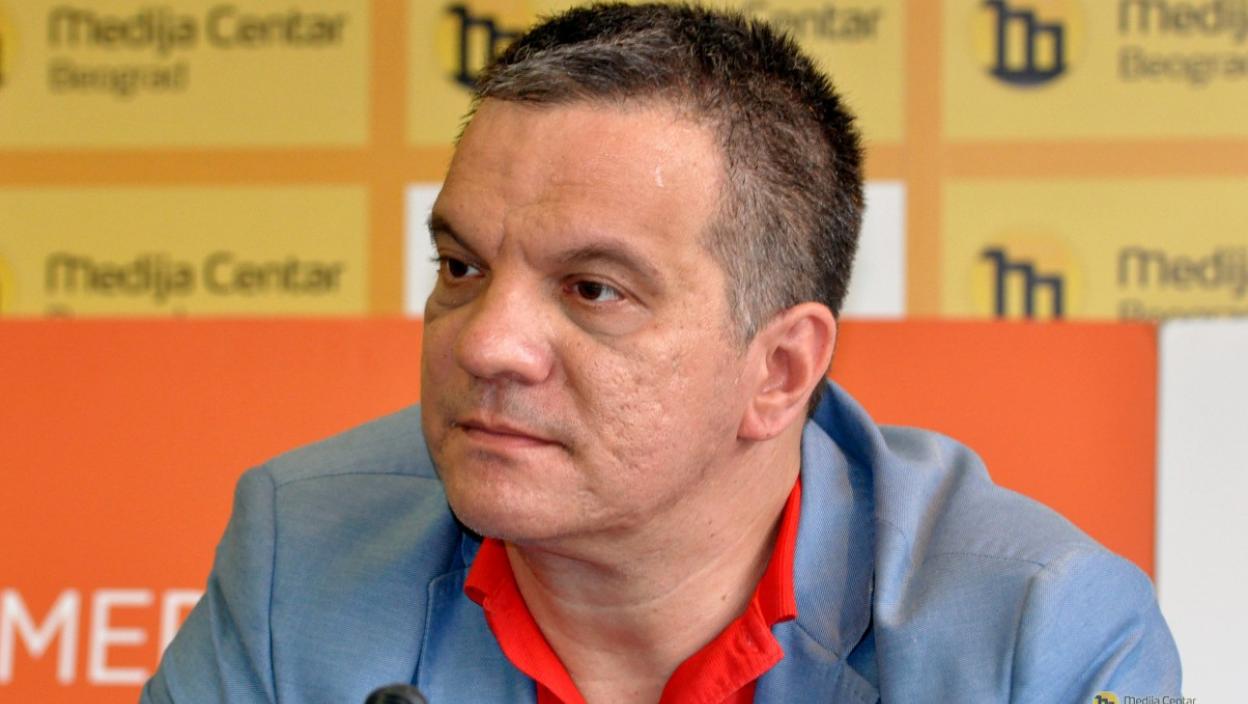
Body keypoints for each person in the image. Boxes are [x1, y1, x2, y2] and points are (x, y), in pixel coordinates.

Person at [143, 3, 1181, 702]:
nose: (489, 343)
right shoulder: (301, 555)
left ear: (779, 370)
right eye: (462, 267)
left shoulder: (1034, 634)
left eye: (593, 290)